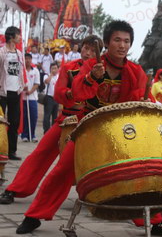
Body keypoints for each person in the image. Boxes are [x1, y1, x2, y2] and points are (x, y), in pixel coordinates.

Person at [14, 21, 155, 234]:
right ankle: (34, 216)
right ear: (107, 42)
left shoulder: (135, 71)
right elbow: (78, 95)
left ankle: (155, 220)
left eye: (126, 41)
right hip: (87, 126)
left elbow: (142, 100)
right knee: (63, 169)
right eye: (117, 40)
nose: (122, 45)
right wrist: (92, 78)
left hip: (119, 131)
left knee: (135, 171)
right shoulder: (91, 66)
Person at [0, 35, 101, 206]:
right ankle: (14, 189)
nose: (88, 52)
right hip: (65, 119)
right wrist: (72, 94)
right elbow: (59, 94)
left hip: (91, 123)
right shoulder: (69, 67)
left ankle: (103, 196)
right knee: (41, 153)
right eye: (86, 48)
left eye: (93, 50)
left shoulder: (104, 72)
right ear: (81, 47)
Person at [0, 26, 25, 160]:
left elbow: (21, 71)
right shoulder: (2, 53)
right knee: (1, 122)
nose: (20, 37)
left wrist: (22, 84)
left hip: (16, 91)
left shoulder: (19, 53)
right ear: (11, 36)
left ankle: (12, 151)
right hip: (3, 91)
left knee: (14, 122)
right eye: (18, 35)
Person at [21, 53, 40, 142]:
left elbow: (37, 84)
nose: (27, 60)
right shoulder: (21, 71)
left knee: (33, 116)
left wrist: (30, 91)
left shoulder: (35, 70)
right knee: (25, 117)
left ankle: (32, 135)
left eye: (29, 58)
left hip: (33, 97)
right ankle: (24, 135)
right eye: (26, 58)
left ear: (31, 60)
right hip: (23, 98)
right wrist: (23, 89)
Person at [42, 62, 60, 134]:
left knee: (55, 116)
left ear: (58, 69)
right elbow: (46, 82)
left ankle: (53, 131)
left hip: (56, 98)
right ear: (50, 69)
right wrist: (51, 75)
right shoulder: (46, 75)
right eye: (52, 68)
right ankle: (46, 130)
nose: (54, 70)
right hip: (49, 97)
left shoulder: (59, 76)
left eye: (55, 68)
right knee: (47, 115)